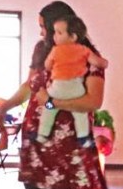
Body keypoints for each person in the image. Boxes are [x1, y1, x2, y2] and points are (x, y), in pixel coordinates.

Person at [0, 1, 107, 189]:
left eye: (47, 27)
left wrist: (52, 104)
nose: (44, 32)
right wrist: (4, 108)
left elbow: (93, 101)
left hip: (65, 141)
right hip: (37, 136)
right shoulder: (46, 53)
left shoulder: (88, 59)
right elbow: (28, 87)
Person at [39, 15, 109, 146]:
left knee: (49, 110)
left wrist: (52, 65)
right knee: (80, 113)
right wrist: (105, 63)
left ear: (73, 36)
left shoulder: (55, 50)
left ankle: (42, 134)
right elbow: (99, 62)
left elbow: (47, 65)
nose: (55, 36)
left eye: (59, 33)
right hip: (76, 88)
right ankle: (83, 137)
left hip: (58, 88)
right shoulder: (83, 50)